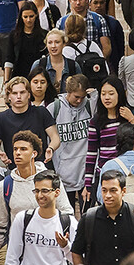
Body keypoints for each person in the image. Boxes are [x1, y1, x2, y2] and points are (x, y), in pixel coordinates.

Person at [73, 170, 134, 265]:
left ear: (123, 191)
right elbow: (76, 252)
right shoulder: (89, 219)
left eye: (113, 190)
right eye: (104, 190)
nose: (108, 195)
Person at [5, 173, 76, 265]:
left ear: (57, 192)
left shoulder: (68, 222)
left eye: (45, 191)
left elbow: (78, 261)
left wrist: (65, 246)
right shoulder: (23, 219)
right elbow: (12, 258)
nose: (39, 195)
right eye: (36, 191)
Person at [82, 77, 134, 205]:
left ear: (120, 94)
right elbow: (91, 154)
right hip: (106, 174)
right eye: (103, 94)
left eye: (111, 94)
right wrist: (88, 184)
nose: (107, 97)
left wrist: (133, 121)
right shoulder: (96, 121)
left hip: (129, 175)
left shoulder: (132, 113)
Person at [49, 73, 95, 208]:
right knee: (65, 215)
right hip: (62, 172)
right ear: (68, 92)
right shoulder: (54, 108)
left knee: (87, 214)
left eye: (82, 97)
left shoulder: (90, 105)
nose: (79, 101)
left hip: (84, 171)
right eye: (76, 97)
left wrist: (94, 97)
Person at [0, 76, 61, 162]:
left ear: (28, 95)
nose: (18, 96)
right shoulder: (1, 118)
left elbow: (55, 137)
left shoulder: (41, 112)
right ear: (9, 96)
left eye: (22, 92)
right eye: (14, 93)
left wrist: (51, 148)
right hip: (15, 169)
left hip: (40, 167)